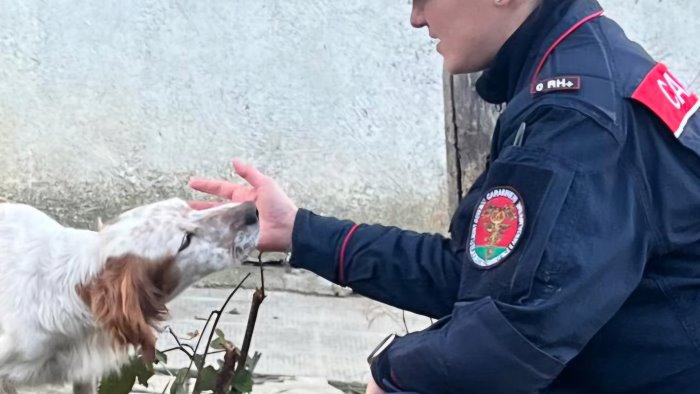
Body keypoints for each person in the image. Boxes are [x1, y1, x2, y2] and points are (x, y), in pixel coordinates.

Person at [188, 0, 700, 392]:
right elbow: (474, 274)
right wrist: (300, 231)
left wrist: (397, 374)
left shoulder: (575, 118)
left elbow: (514, 333)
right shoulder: (576, 72)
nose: (415, 18)